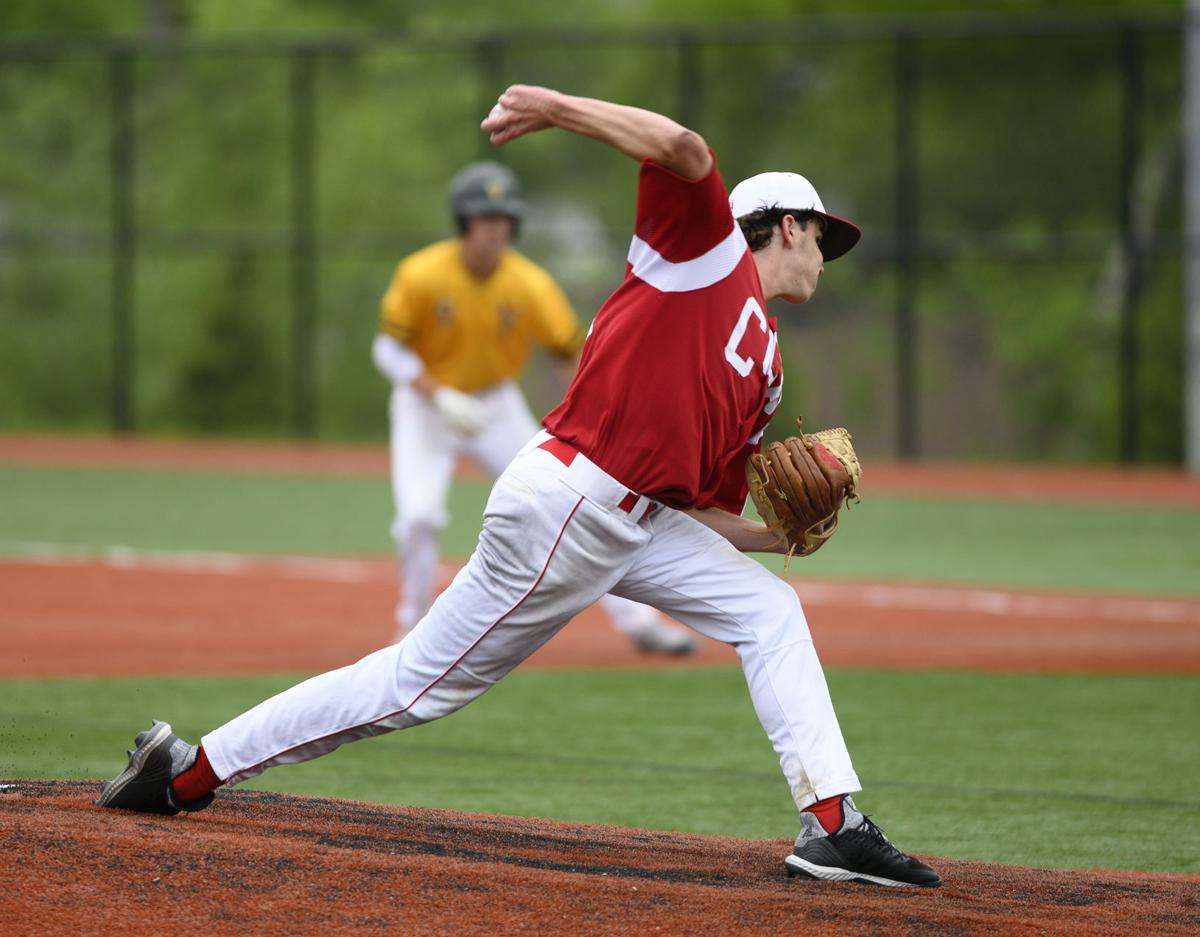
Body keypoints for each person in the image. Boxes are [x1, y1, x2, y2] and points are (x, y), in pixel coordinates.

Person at [96, 85, 941, 889]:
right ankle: (187, 770)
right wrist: (554, 107)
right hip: (567, 509)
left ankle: (831, 820)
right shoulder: (702, 254)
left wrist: (776, 539)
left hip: (639, 523)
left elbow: (697, 504)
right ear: (785, 227)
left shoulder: (767, 369)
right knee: (412, 686)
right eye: (822, 238)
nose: (827, 257)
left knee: (770, 610)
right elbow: (683, 148)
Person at [372, 160, 695, 654]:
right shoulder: (421, 273)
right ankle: (410, 626)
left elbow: (574, 353)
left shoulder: (529, 283)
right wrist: (438, 393)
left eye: (503, 220)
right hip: (426, 405)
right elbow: (388, 349)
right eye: (484, 219)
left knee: (566, 499)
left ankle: (638, 624)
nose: (494, 230)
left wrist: (598, 411)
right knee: (419, 517)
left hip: (496, 404)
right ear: (464, 222)